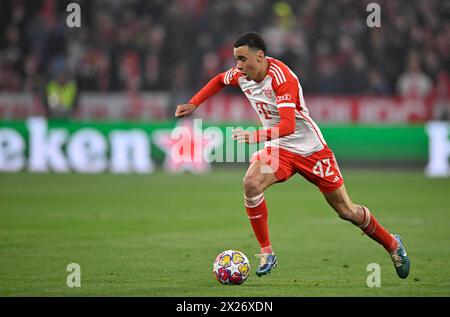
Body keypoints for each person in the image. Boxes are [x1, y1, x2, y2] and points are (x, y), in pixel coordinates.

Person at [175, 32, 410, 279]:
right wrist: (194, 103)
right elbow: (219, 81)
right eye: (236, 59)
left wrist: (255, 136)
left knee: (346, 211)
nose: (238, 65)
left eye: (243, 58)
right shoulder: (241, 75)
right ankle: (267, 252)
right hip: (279, 149)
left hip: (311, 149)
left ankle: (392, 244)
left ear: (261, 56)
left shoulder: (282, 78)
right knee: (251, 184)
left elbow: (288, 126)